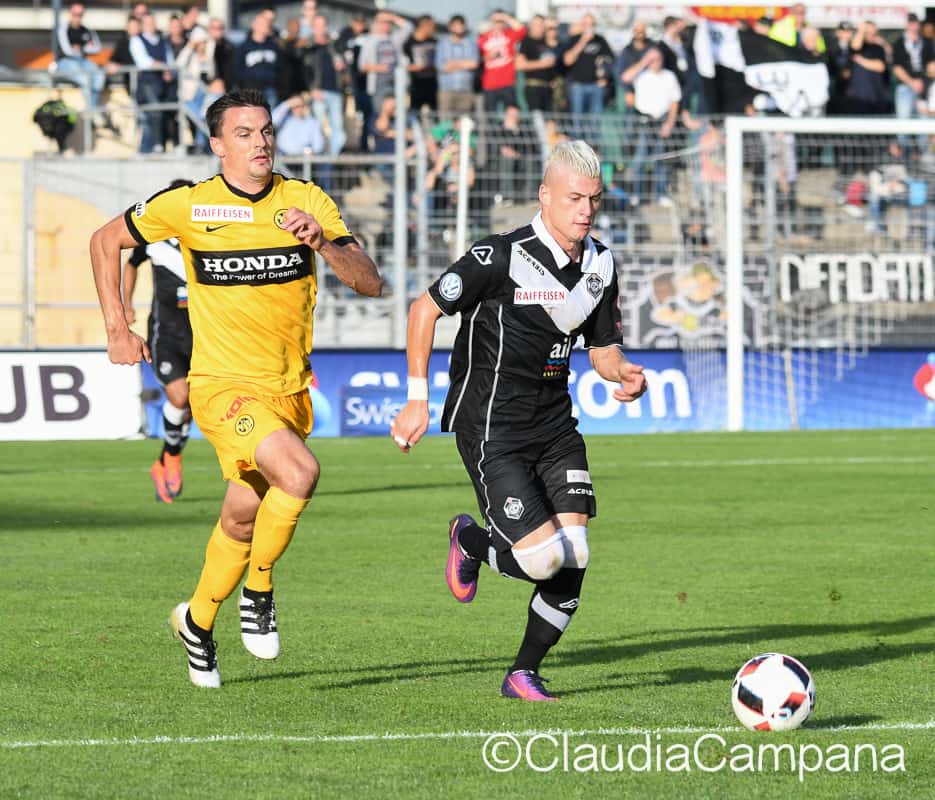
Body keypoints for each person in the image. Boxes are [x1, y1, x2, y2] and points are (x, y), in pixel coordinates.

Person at [89, 89, 383, 688]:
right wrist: (117, 327)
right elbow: (104, 241)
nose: (261, 142)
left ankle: (196, 623)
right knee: (299, 473)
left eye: (266, 130)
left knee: (243, 521)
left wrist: (323, 244)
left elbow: (370, 283)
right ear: (218, 145)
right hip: (221, 386)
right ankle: (260, 591)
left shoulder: (307, 200)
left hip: (289, 390)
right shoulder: (188, 205)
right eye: (244, 133)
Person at [391, 140, 646, 701]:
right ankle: (471, 540)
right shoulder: (499, 256)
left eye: (594, 199)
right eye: (574, 198)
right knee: (542, 559)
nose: (585, 210)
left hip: (555, 426)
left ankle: (522, 673)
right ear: (544, 196)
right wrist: (416, 398)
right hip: (491, 426)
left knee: (576, 553)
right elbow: (423, 310)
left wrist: (624, 372)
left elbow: (603, 348)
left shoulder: (601, 264)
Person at [120, 180, 195, 504]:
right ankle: (173, 459)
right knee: (180, 395)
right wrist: (125, 304)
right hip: (166, 334)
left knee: (190, 409)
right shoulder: (154, 237)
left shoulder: (205, 236)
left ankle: (165, 458)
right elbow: (130, 264)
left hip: (205, 334)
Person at [622, 47, 681, 205]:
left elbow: (675, 102)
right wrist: (644, 61)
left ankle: (661, 194)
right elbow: (625, 77)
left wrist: (669, 123)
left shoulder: (669, 76)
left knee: (660, 160)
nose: (655, 62)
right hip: (644, 122)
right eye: (652, 60)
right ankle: (637, 194)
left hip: (661, 122)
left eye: (658, 59)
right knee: (640, 160)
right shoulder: (641, 75)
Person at [130, 11, 175, 154]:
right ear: (142, 25)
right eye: (148, 23)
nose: (151, 25)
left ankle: (146, 150)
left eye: (153, 22)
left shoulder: (162, 41)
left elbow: (170, 61)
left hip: (162, 85)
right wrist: (163, 66)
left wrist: (169, 71)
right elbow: (143, 62)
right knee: (153, 114)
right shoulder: (136, 40)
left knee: (158, 117)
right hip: (147, 84)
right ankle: (156, 146)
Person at [302, 14, 347, 156]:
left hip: (336, 91)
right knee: (319, 128)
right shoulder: (309, 47)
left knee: (338, 129)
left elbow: (344, 65)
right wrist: (312, 89)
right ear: (313, 27)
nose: (320, 29)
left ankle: (332, 159)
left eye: (322, 25)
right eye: (317, 26)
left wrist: (343, 67)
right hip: (318, 92)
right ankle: (320, 159)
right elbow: (304, 71)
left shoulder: (334, 46)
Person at [562, 13, 614, 119]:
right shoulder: (574, 39)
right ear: (582, 26)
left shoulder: (600, 40)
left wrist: (605, 77)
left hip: (596, 86)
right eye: (586, 24)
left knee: (595, 120)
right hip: (578, 86)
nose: (590, 27)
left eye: (592, 24)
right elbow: (568, 60)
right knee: (577, 119)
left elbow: (610, 61)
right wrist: (583, 40)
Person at [55, 3, 106, 113]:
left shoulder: (87, 30)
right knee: (84, 78)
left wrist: (81, 48)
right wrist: (86, 47)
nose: (77, 17)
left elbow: (97, 48)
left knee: (99, 75)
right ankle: (92, 112)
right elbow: (68, 51)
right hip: (66, 62)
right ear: (70, 14)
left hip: (82, 61)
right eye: (75, 14)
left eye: (80, 14)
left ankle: (91, 109)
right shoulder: (63, 29)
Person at [359, 11, 413, 111]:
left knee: (398, 111)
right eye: (382, 22)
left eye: (388, 23)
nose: (385, 25)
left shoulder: (395, 38)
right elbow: (362, 66)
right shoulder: (369, 41)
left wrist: (392, 17)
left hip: (396, 82)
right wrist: (380, 68)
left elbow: (409, 27)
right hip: (379, 84)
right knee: (380, 111)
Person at [477, 10, 526, 112]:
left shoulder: (509, 34)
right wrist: (488, 56)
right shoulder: (483, 38)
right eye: (496, 21)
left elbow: (522, 29)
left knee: (512, 111)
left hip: (507, 82)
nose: (498, 24)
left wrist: (504, 17)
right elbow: (478, 59)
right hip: (490, 83)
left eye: (500, 21)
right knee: (490, 113)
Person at [234, 11, 283, 108]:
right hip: (250, 90)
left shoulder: (274, 47)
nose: (266, 26)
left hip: (270, 89)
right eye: (262, 24)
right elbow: (236, 69)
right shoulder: (243, 47)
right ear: (254, 25)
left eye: (267, 24)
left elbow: (281, 69)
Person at [435, 14, 479, 115]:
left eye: (461, 25)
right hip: (446, 89)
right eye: (456, 25)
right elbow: (441, 66)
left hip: (465, 89)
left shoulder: (471, 43)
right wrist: (464, 63)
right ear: (450, 27)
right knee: (445, 121)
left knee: (464, 121)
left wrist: (453, 63)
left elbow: (474, 64)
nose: (459, 28)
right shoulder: (442, 43)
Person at [516, 14, 559, 112]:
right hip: (533, 87)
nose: (539, 27)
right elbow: (519, 65)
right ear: (530, 25)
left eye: (541, 24)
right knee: (537, 117)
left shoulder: (548, 41)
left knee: (551, 118)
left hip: (549, 87)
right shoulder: (526, 42)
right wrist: (542, 64)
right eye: (536, 24)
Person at [404, 15, 439, 112]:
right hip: (416, 86)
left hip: (432, 86)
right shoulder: (408, 43)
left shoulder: (435, 42)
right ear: (423, 25)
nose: (433, 29)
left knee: (434, 114)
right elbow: (402, 65)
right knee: (415, 113)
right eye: (431, 26)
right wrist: (417, 67)